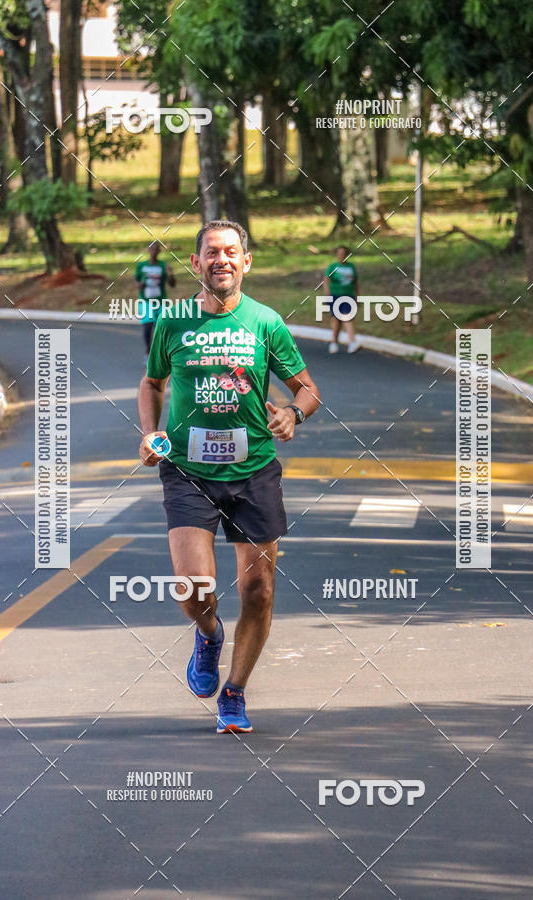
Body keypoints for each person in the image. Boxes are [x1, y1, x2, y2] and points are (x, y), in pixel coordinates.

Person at [138, 220, 320, 734]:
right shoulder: (172, 324)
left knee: (258, 589)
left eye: (231, 251)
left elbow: (307, 389)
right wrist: (151, 432)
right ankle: (210, 633)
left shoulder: (265, 323)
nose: (221, 259)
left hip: (254, 469)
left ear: (246, 262)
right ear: (195, 264)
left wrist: (293, 414)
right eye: (211, 252)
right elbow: (151, 383)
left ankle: (235, 693)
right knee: (194, 587)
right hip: (188, 469)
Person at [135, 242, 176, 361]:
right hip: (146, 301)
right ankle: (148, 352)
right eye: (152, 249)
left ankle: (161, 353)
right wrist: (140, 285)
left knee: (162, 327)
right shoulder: (141, 266)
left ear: (159, 251)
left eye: (156, 249)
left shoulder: (163, 265)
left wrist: (170, 275)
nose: (154, 251)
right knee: (148, 326)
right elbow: (136, 282)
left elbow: (172, 284)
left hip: (161, 301)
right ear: (148, 250)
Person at [323, 245, 360, 354]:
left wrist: (358, 296)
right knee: (336, 319)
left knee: (348, 317)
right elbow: (326, 281)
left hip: (348, 295)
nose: (341, 256)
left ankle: (352, 342)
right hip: (335, 295)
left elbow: (355, 283)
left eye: (344, 254)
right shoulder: (332, 267)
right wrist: (327, 295)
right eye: (339, 254)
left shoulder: (351, 267)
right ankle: (334, 342)